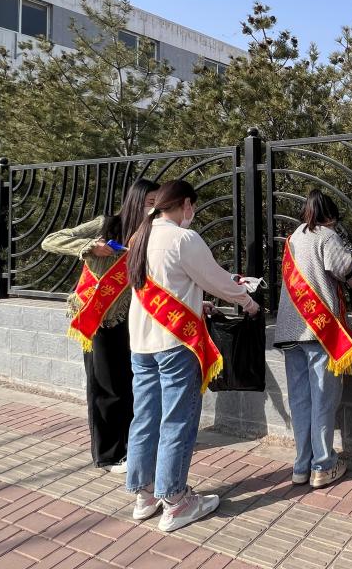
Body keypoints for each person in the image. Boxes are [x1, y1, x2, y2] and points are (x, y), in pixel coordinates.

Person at [124, 179, 260, 533]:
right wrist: (247, 301)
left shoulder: (139, 236)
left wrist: (198, 303)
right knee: (177, 421)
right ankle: (176, 501)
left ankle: (144, 495)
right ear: (185, 204)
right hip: (175, 344)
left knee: (145, 418)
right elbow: (217, 280)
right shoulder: (183, 238)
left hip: (141, 343)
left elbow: (170, 285)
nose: (193, 213)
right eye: (192, 207)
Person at [42, 178, 160, 473]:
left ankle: (132, 447)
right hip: (99, 317)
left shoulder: (153, 233)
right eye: (150, 203)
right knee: (106, 387)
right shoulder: (107, 225)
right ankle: (108, 454)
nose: (154, 209)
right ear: (136, 201)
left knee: (131, 384)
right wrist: (90, 246)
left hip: (134, 317)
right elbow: (51, 239)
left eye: (158, 204)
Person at [275, 189, 352, 489]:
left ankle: (301, 465)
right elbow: (343, 268)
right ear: (330, 216)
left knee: (300, 401)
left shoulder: (292, 238)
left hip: (290, 331)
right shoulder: (326, 236)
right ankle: (323, 465)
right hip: (319, 331)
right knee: (323, 400)